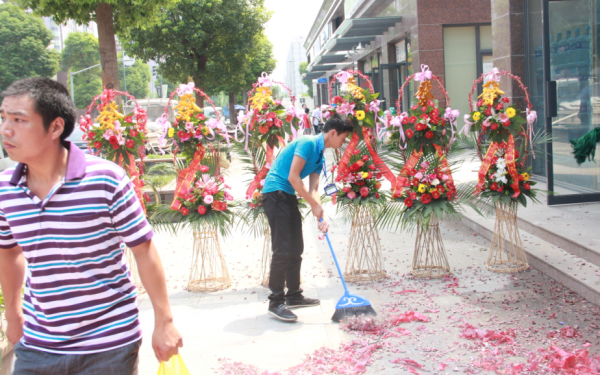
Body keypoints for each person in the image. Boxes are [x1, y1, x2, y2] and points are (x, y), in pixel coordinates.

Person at [0, 77, 182, 374]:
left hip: (108, 343)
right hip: (37, 345)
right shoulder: (6, 190)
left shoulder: (105, 180)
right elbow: (8, 252)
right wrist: (13, 313)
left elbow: (143, 250)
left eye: (19, 120)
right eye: (3, 118)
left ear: (55, 127)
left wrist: (165, 322)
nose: (6, 129)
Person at [262, 113, 353, 322]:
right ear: (333, 133)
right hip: (275, 194)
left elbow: (313, 189)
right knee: (282, 249)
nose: (344, 142)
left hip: (287, 196)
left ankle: (293, 295)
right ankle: (275, 302)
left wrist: (320, 214)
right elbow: (293, 177)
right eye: (343, 137)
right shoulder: (307, 143)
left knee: (296, 248)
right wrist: (313, 205)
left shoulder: (320, 156)